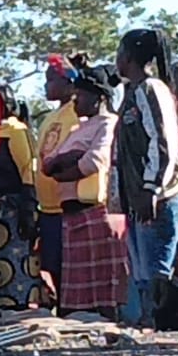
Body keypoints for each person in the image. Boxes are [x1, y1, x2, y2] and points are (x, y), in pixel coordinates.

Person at [114, 28, 178, 328]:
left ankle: (162, 326)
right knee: (143, 273)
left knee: (158, 268)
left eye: (120, 52)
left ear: (130, 56)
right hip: (140, 200)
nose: (117, 59)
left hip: (162, 196)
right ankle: (150, 325)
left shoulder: (151, 89)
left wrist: (152, 188)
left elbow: (163, 141)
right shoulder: (132, 93)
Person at [40, 64, 126, 320]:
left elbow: (95, 161)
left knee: (100, 283)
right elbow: (49, 162)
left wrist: (67, 167)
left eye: (81, 96)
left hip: (93, 210)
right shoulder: (80, 128)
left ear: (98, 97)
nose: (75, 100)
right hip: (71, 212)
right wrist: (68, 159)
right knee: (76, 283)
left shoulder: (108, 124)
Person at [0, 83, 43, 310]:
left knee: (14, 262)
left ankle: (18, 308)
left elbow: (28, 170)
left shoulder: (16, 131)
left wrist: (29, 209)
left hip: (11, 209)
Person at [33, 54, 82, 304]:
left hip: (68, 206)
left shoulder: (77, 113)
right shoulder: (51, 117)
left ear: (68, 82)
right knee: (52, 265)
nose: (46, 86)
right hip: (48, 208)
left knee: (71, 268)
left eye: (51, 80)